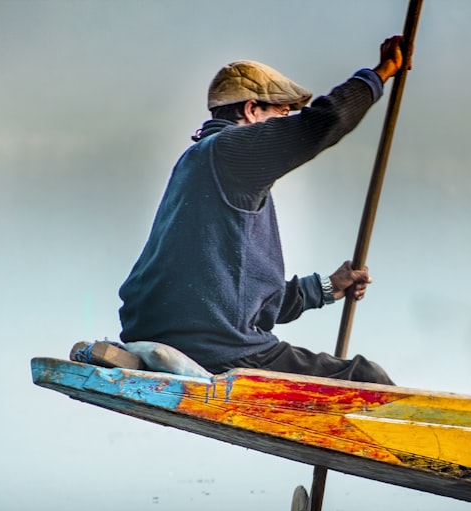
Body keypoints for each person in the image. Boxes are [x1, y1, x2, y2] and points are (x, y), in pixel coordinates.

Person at [118, 36, 409, 385]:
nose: (284, 125)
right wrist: (380, 74)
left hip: (164, 329)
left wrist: (330, 287)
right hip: (217, 348)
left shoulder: (198, 164)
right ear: (252, 110)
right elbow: (324, 122)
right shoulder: (232, 151)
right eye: (281, 114)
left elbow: (242, 296)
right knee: (366, 377)